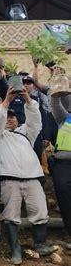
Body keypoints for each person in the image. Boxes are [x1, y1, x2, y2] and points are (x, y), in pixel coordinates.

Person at [0, 87, 54, 265]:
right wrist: (6, 102)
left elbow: (35, 120)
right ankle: (15, 249)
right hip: (9, 179)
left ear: (18, 119)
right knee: (11, 215)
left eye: (12, 117)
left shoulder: (26, 133)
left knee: (40, 211)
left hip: (33, 177)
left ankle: (40, 243)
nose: (9, 119)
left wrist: (28, 100)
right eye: (6, 117)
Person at [50, 92, 71, 247]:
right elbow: (55, 103)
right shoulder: (65, 117)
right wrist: (58, 85)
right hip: (62, 165)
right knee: (64, 200)